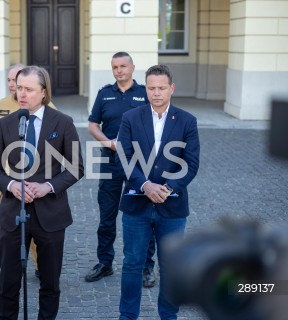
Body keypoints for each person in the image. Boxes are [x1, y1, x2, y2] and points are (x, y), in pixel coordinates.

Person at [0, 65, 84, 319]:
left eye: (29, 89)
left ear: (44, 92)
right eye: (19, 88)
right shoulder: (7, 123)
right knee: (8, 283)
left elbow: (76, 167)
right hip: (13, 214)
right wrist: (12, 185)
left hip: (50, 215)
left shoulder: (63, 123)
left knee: (50, 283)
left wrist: (47, 186)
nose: (22, 94)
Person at [116, 64, 200, 319]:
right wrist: (145, 185)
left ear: (171, 88)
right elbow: (124, 156)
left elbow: (191, 163)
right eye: (151, 88)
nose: (156, 93)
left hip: (172, 207)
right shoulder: (131, 118)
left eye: (161, 88)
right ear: (145, 89)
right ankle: (128, 316)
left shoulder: (187, 120)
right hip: (136, 206)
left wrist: (167, 188)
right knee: (132, 264)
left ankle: (168, 316)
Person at [85, 51, 157, 287]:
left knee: (141, 214)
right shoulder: (105, 94)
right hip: (110, 161)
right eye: (115, 67)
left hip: (139, 163)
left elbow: (155, 123)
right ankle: (105, 263)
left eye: (123, 66)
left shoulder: (143, 93)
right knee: (107, 216)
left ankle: (146, 266)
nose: (119, 70)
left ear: (133, 68)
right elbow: (93, 125)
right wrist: (108, 142)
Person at [0, 64, 57, 278]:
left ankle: (39, 266)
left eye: (17, 81)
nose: (13, 86)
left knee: (38, 230)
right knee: (8, 229)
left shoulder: (48, 108)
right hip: (8, 179)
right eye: (11, 82)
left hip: (38, 182)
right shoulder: (0, 106)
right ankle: (7, 269)